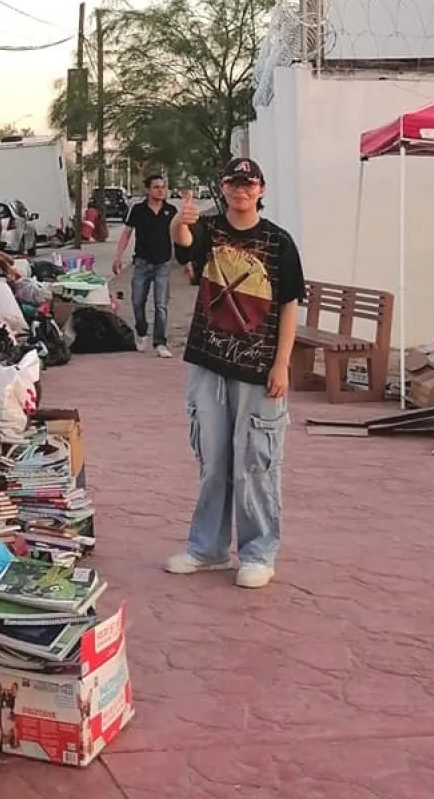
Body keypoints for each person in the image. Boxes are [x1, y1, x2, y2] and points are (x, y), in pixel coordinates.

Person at [165, 158, 305, 590]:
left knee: (255, 462)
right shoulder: (209, 231)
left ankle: (259, 551)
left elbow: (288, 305)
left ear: (261, 189)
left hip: (258, 368)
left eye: (249, 184)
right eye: (234, 183)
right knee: (213, 461)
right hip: (210, 362)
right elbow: (185, 245)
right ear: (223, 188)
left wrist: (281, 363)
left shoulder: (279, 243)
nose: (241, 190)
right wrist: (179, 222)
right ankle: (206, 548)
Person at [113, 175, 177, 358]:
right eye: (156, 187)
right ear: (148, 190)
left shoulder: (170, 211)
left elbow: (179, 236)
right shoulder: (138, 210)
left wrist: (186, 261)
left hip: (163, 263)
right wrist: (118, 256)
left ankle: (160, 342)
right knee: (137, 301)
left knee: (161, 305)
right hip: (141, 262)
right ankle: (141, 330)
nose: (160, 190)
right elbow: (126, 234)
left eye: (162, 187)